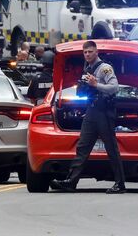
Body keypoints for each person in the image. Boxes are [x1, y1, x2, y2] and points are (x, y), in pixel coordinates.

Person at [51, 41, 125, 194]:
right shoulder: (87, 68)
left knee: (111, 148)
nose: (87, 55)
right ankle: (71, 181)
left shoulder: (105, 68)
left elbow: (114, 88)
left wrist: (95, 84)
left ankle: (120, 184)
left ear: (96, 52)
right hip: (91, 111)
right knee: (82, 147)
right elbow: (86, 90)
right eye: (85, 52)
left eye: (90, 52)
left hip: (104, 112)